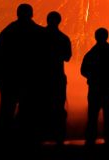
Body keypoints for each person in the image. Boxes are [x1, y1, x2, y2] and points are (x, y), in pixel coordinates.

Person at [0, 3, 46, 146]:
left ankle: (5, 143)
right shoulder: (40, 33)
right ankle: (29, 142)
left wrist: (0, 82)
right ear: (32, 14)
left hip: (10, 81)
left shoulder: (8, 32)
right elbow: (47, 61)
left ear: (17, 13)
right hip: (33, 82)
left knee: (7, 114)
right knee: (31, 114)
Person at [81, 27, 109, 146]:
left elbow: (83, 70)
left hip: (94, 89)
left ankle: (90, 141)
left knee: (92, 117)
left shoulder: (92, 53)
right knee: (108, 117)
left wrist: (92, 77)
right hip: (108, 89)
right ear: (107, 37)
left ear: (96, 37)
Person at [43, 11, 72, 144]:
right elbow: (67, 57)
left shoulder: (38, 36)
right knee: (59, 107)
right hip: (57, 76)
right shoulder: (63, 38)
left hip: (41, 77)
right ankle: (58, 136)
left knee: (41, 106)